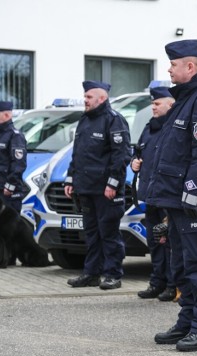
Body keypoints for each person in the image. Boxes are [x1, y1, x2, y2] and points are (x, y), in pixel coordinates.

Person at [147, 39, 197, 352]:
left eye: (174, 64)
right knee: (181, 264)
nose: (169, 69)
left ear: (190, 67)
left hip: (195, 202)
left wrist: (192, 193)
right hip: (176, 201)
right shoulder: (184, 99)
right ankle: (187, 320)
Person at [64, 81, 130, 290]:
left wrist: (113, 183)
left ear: (102, 98)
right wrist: (70, 178)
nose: (85, 100)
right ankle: (91, 273)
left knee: (109, 234)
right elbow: (78, 154)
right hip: (86, 188)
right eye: (85, 96)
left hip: (106, 190)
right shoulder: (84, 120)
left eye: (89, 97)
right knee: (91, 234)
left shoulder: (114, 121)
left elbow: (121, 156)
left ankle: (113, 275)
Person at [131, 86, 177, 302]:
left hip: (167, 196)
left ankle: (172, 284)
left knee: (168, 243)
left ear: (170, 104)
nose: (153, 108)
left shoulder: (175, 127)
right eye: (152, 104)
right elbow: (137, 152)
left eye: (157, 104)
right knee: (154, 241)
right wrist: (134, 164)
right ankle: (156, 282)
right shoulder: (149, 128)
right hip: (149, 194)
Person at [0, 101, 27, 267]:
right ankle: (2, 256)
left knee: (9, 227)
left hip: (7, 190)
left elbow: (18, 163)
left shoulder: (15, 136)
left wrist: (10, 185)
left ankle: (9, 258)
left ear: (7, 115)